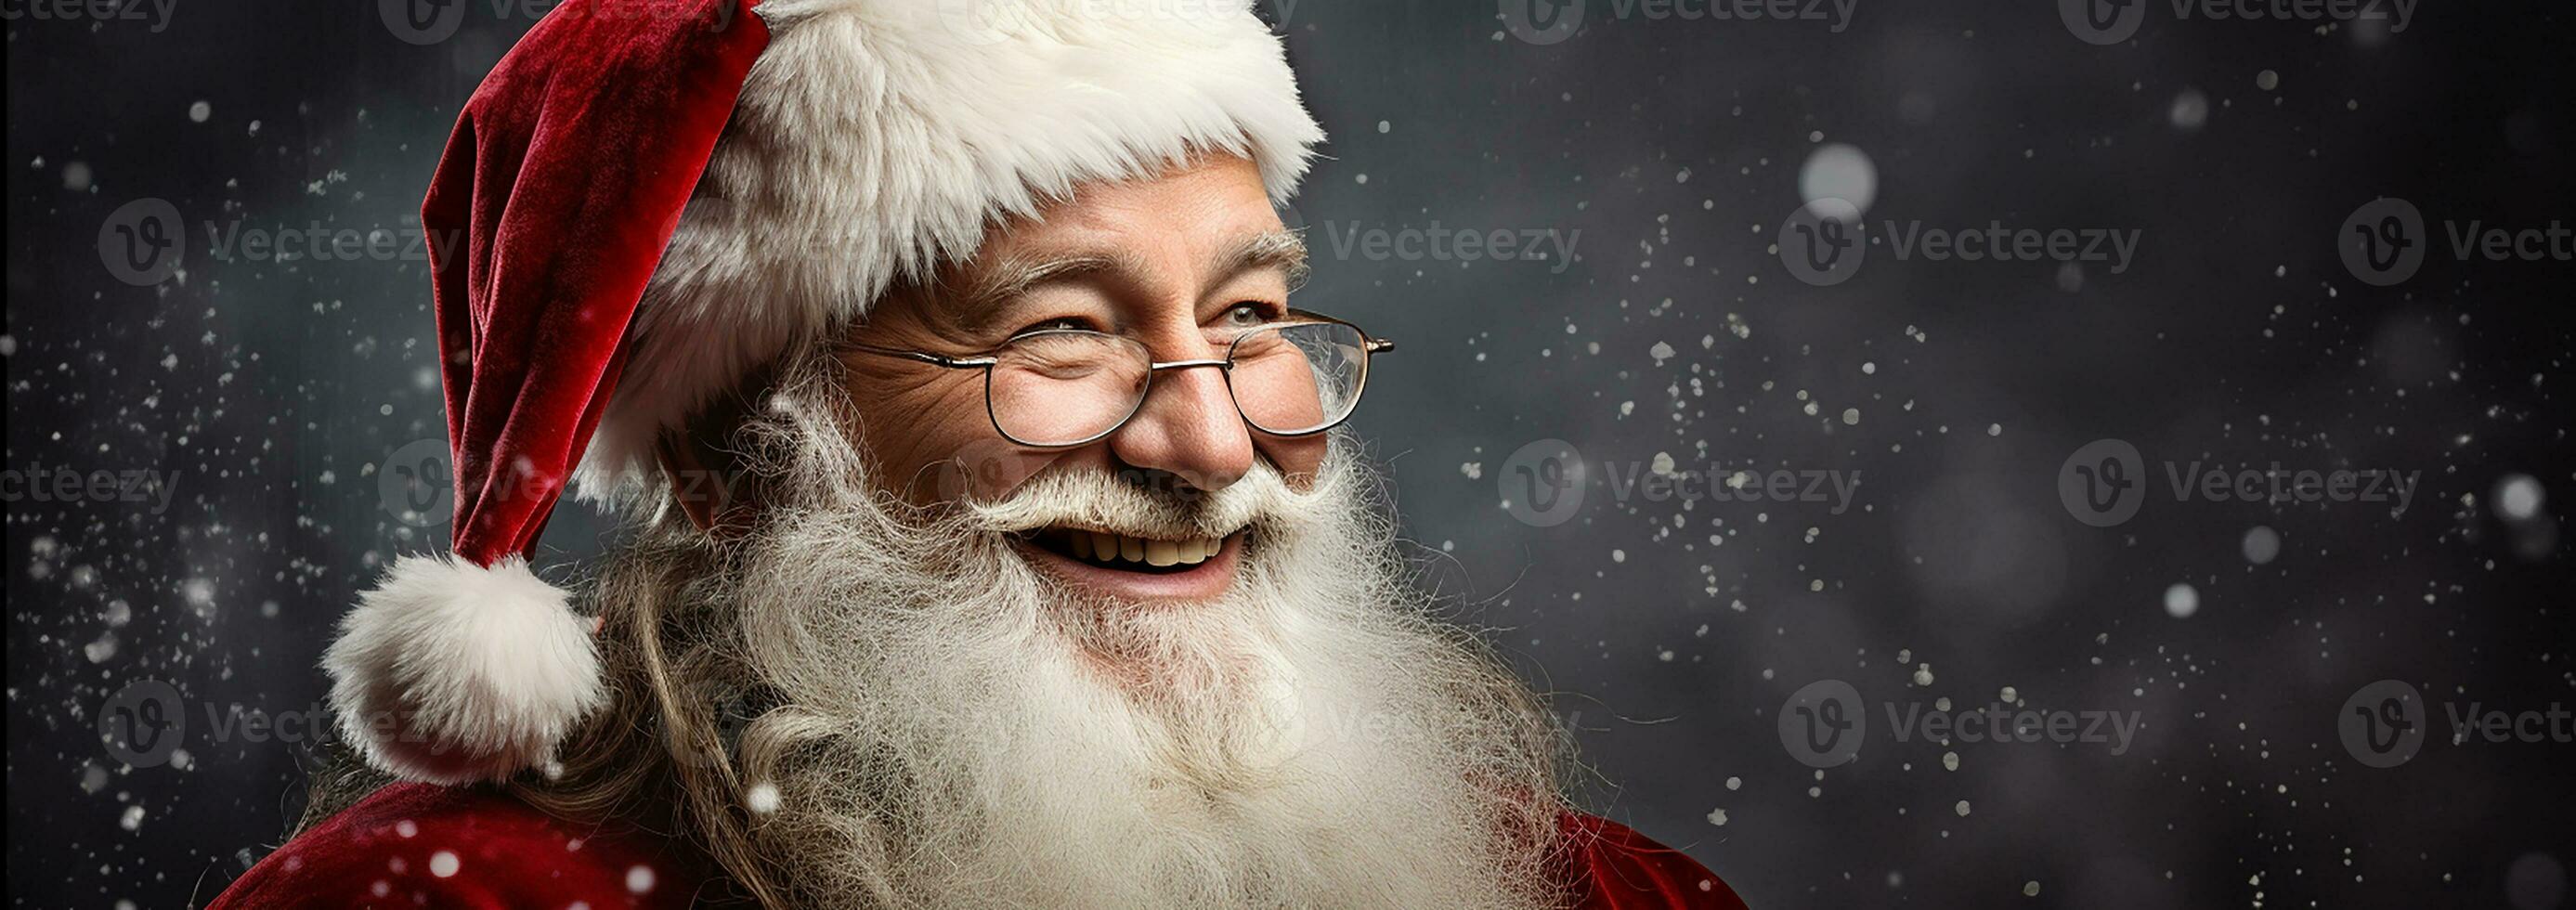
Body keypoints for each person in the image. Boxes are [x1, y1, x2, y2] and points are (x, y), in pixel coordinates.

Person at [211, 1, 1746, 906]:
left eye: (1250, 312)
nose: (1213, 444)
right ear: (726, 456)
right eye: (1061, 334)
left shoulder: (1598, 895)